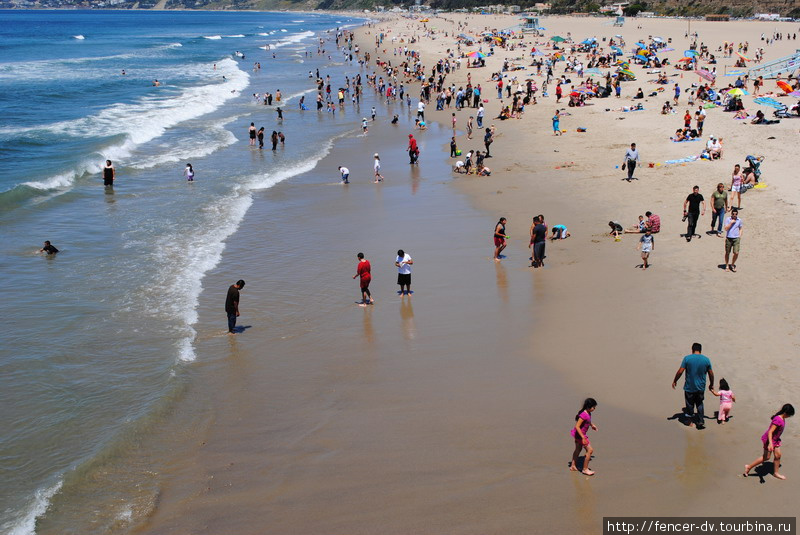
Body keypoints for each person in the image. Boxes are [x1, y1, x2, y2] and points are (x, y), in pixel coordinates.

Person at [744, 404, 794, 480]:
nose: (789, 417)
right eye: (789, 415)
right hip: (769, 440)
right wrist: (770, 443)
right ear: (785, 413)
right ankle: (749, 467)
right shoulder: (778, 419)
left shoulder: (782, 418)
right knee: (766, 457)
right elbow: (770, 432)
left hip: (775, 440)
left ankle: (776, 473)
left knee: (778, 456)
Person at [672, 342, 714, 429]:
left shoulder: (687, 358)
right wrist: (711, 384)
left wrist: (675, 380)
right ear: (700, 350)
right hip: (701, 387)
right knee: (699, 403)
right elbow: (711, 374)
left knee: (689, 404)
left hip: (689, 387)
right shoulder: (706, 360)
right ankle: (700, 421)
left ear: (692, 349)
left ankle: (690, 421)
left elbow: (680, 371)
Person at [569, 398, 598, 476]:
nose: (594, 409)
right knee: (590, 450)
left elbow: (588, 421)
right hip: (580, 435)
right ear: (588, 407)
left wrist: (592, 425)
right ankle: (585, 469)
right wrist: (583, 437)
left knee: (578, 449)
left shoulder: (588, 413)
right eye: (593, 407)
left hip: (578, 435)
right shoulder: (583, 414)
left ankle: (573, 466)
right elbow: (577, 426)